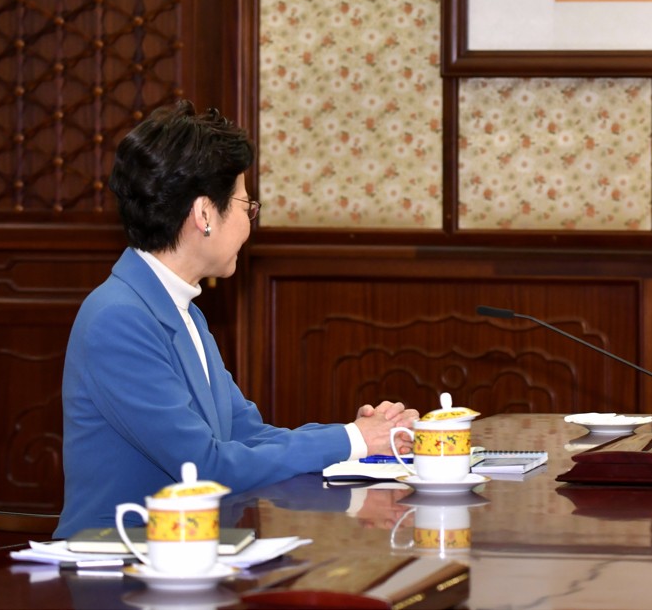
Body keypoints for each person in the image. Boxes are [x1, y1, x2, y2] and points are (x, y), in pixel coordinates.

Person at [56, 102, 418, 537]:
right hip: (120, 568)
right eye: (247, 205)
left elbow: (246, 436)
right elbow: (204, 466)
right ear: (204, 214)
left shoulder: (177, 307)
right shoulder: (119, 320)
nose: (250, 222)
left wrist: (363, 433)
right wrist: (354, 440)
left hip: (188, 553)